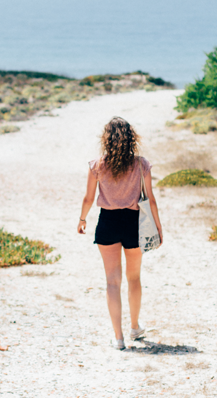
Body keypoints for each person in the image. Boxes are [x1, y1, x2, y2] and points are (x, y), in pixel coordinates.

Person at [77, 117, 163, 350]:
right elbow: (151, 199)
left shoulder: (97, 165)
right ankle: (135, 326)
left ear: (106, 139)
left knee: (112, 282)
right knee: (134, 278)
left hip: (107, 222)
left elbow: (88, 198)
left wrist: (82, 219)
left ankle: (119, 338)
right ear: (131, 139)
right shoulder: (141, 164)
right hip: (134, 223)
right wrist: (158, 226)